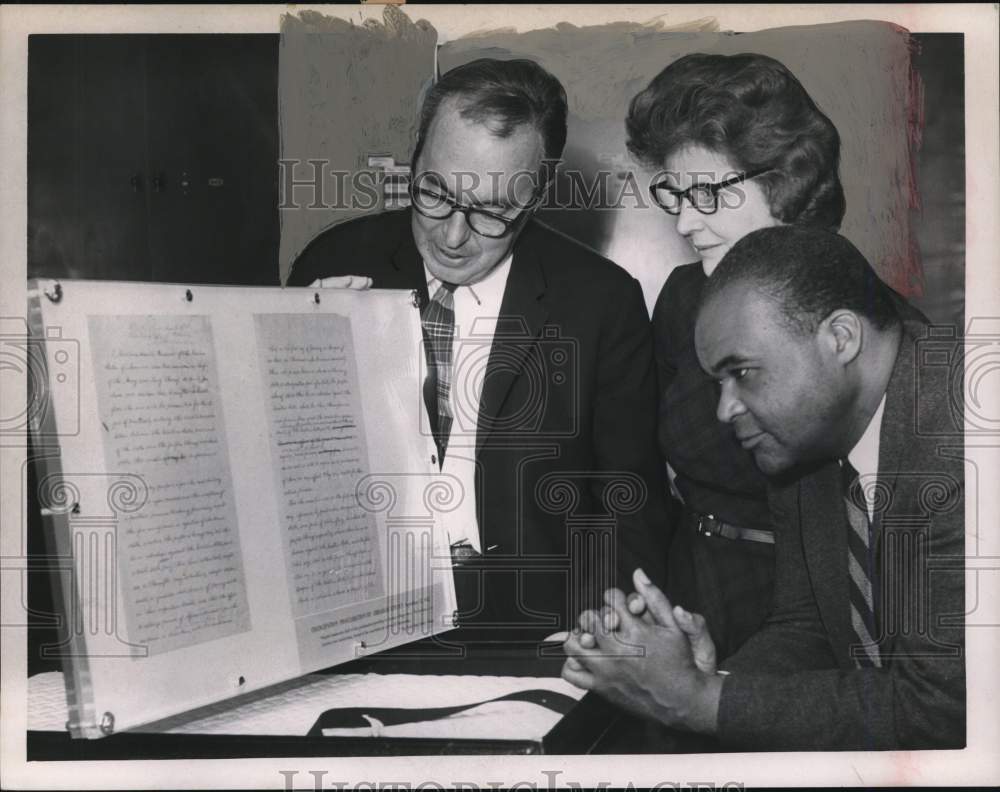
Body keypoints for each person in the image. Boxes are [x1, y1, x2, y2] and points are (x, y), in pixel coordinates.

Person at [288, 58, 670, 641]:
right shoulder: (332, 264)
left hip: (532, 627)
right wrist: (293, 361)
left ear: (538, 194)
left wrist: (598, 636)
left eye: (492, 211)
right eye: (434, 192)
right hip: (356, 618)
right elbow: (282, 480)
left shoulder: (602, 302)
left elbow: (628, 506)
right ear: (415, 159)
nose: (453, 234)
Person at [562, 225, 965, 750]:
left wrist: (701, 703)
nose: (724, 409)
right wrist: (707, 681)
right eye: (718, 382)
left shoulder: (966, 436)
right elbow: (809, 629)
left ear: (840, 338)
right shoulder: (805, 438)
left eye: (743, 372)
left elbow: (939, 709)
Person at [625, 53, 846, 659]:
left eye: (709, 194)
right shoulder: (683, 297)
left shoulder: (855, 315)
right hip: (690, 581)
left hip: (805, 610)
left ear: (784, 181)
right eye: (675, 195)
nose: (687, 222)